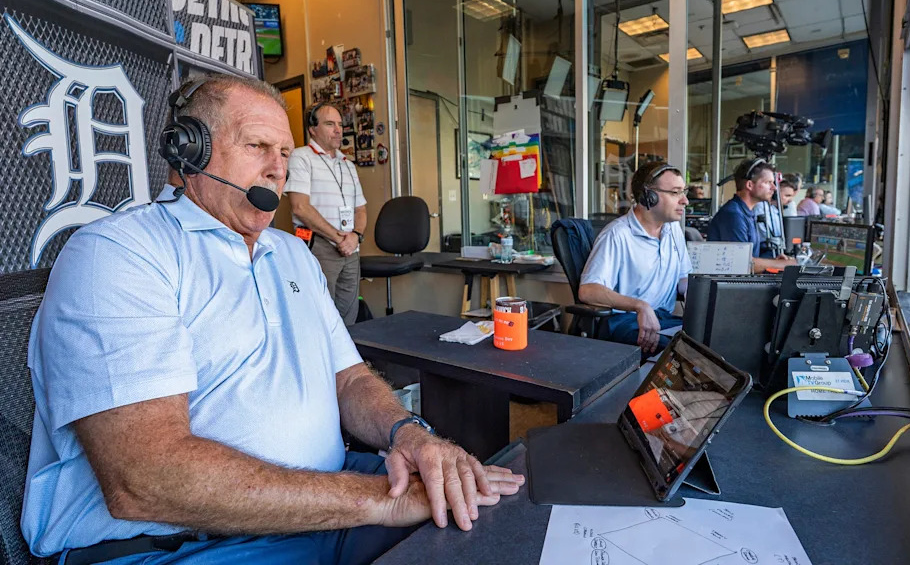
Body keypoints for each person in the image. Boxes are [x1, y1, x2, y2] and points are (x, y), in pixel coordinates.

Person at [22, 76, 523, 565]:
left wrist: (410, 434)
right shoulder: (119, 253)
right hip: (183, 541)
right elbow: (145, 480)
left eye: (284, 154)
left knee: (489, 520)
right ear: (188, 151)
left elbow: (347, 379)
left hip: (325, 495)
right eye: (258, 146)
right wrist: (378, 500)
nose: (277, 170)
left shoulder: (291, 254)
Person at [579, 161, 692, 357]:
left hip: (663, 319)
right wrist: (640, 306)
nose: (685, 200)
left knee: (708, 340)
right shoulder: (617, 234)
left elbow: (683, 278)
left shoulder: (673, 229)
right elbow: (588, 291)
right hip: (625, 321)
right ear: (649, 195)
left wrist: (701, 296)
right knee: (683, 353)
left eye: (684, 191)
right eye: (675, 192)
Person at [285, 104, 367, 325]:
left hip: (351, 247)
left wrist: (355, 236)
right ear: (312, 129)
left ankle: (350, 360)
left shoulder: (348, 164)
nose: (338, 130)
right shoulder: (300, 157)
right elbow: (300, 207)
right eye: (330, 124)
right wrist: (338, 237)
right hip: (319, 245)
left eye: (340, 124)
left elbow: (361, 209)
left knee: (349, 315)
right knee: (321, 316)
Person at [707, 158, 794, 273]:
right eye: (768, 182)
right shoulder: (733, 215)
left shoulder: (745, 211)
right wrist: (786, 264)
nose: (774, 188)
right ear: (749, 185)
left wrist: (772, 261)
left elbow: (748, 258)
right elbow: (741, 264)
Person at [752, 175, 798, 255]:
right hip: (766, 250)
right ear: (775, 194)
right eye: (787, 196)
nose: (790, 200)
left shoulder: (774, 209)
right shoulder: (762, 207)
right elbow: (767, 234)